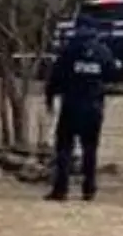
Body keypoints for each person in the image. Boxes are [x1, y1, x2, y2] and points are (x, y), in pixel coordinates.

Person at [43, 17, 116, 202]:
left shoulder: (68, 51)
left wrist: (50, 98)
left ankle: (61, 189)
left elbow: (55, 77)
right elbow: (112, 75)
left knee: (64, 148)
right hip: (93, 107)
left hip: (71, 106)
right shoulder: (103, 51)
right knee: (90, 149)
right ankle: (89, 189)